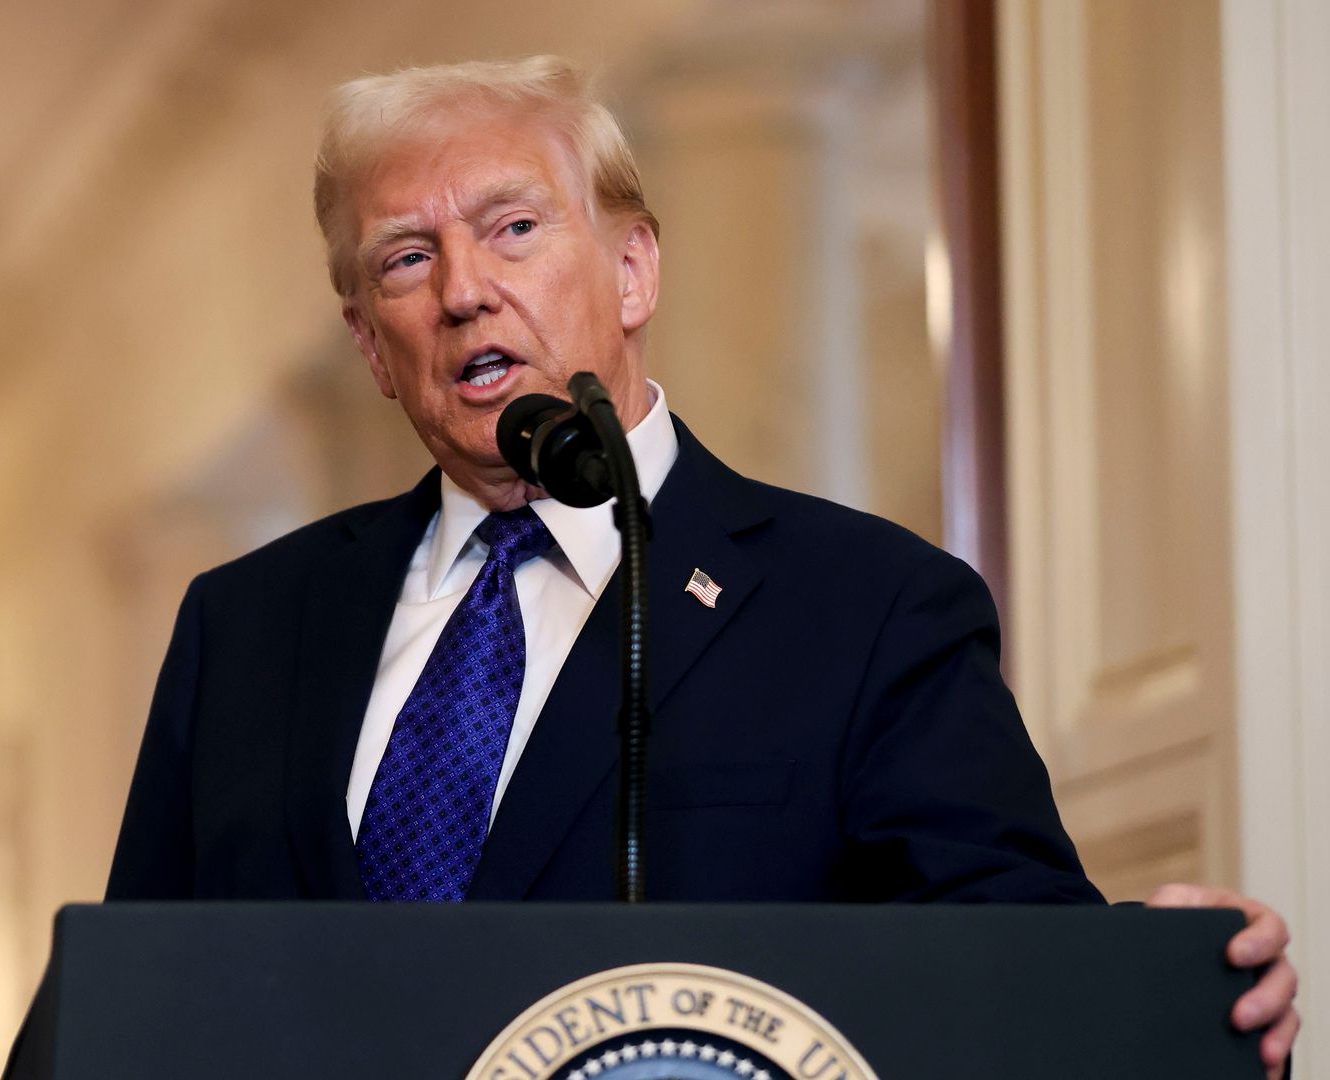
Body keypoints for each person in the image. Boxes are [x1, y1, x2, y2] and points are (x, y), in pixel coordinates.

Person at [102, 56, 1299, 1073]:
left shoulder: (868, 607)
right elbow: (126, 1015)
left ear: (632, 272)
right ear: (370, 344)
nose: (464, 292)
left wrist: (1165, 991)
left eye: (513, 228)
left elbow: (1007, 965)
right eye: (406, 261)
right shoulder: (244, 628)